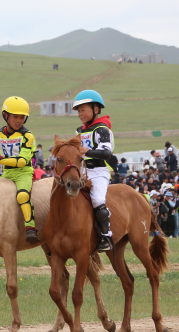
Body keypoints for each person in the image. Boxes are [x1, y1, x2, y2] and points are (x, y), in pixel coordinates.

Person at [0, 96, 39, 243]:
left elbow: (23, 161)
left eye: (22, 117)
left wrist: (1, 159)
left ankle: (30, 228)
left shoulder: (27, 136)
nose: (19, 120)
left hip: (24, 173)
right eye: (15, 116)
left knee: (22, 195)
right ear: (5, 116)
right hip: (7, 174)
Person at [71, 89, 114, 251]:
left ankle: (106, 236)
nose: (80, 114)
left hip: (99, 171)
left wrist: (86, 151)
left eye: (83, 110)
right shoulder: (79, 131)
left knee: (97, 200)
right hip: (81, 171)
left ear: (96, 110)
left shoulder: (102, 129)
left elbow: (106, 153)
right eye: (78, 111)